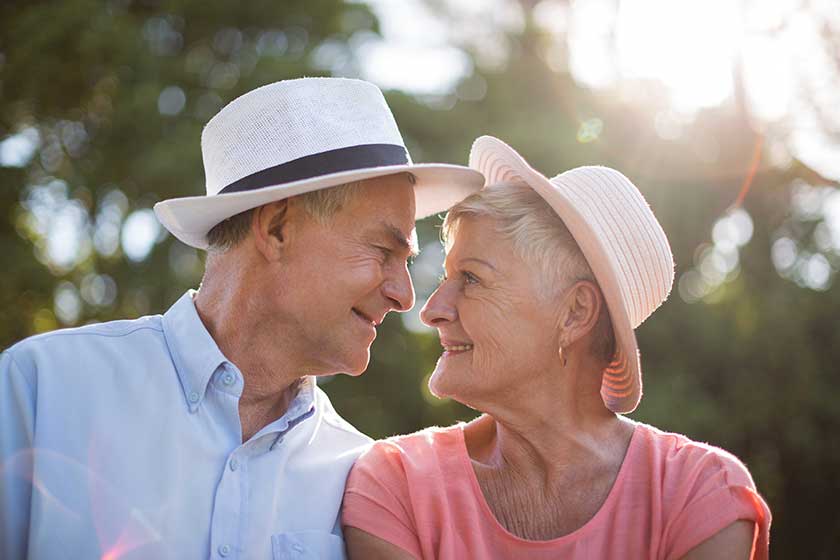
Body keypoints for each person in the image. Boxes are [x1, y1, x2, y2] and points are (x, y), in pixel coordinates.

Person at [0, 78, 483, 559]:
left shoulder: (361, 477)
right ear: (276, 228)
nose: (405, 296)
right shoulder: (44, 389)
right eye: (382, 251)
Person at [341, 136, 771, 559]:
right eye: (445, 278)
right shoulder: (395, 482)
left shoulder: (700, 493)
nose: (432, 309)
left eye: (471, 279)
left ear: (574, 313)